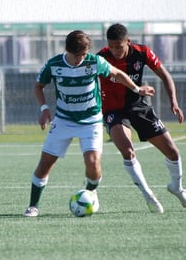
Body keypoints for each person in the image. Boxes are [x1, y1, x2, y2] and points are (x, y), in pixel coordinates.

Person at [23, 30, 155, 217]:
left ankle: (90, 193)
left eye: (84, 54)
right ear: (68, 50)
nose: (81, 58)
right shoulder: (54, 65)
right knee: (45, 163)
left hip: (91, 121)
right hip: (64, 120)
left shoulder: (94, 62)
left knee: (93, 165)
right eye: (78, 55)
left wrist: (136, 88)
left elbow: (117, 73)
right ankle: (33, 206)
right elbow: (38, 86)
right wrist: (44, 108)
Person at [97, 23, 186, 213]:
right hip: (113, 111)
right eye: (111, 46)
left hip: (139, 106)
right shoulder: (101, 58)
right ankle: (148, 194)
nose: (115, 51)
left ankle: (177, 187)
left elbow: (164, 75)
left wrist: (173, 102)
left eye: (119, 46)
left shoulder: (142, 53)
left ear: (128, 42)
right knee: (128, 151)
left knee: (173, 152)